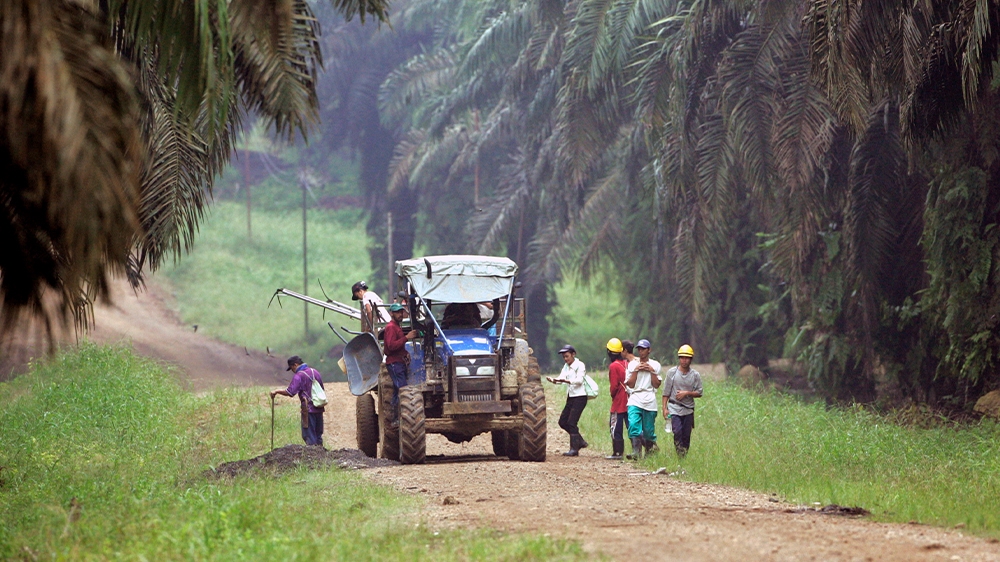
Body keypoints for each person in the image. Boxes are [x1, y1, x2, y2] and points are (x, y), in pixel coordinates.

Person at [271, 356, 325, 446]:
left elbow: (290, 392)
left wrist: (277, 391)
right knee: (318, 435)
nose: (292, 371)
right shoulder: (315, 372)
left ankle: (313, 457)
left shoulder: (299, 375)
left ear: (295, 365)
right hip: (319, 407)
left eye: (292, 368)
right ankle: (322, 456)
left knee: (309, 436)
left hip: (308, 410)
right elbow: (321, 389)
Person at [546, 344, 589, 456]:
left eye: (567, 356)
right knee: (562, 422)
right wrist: (554, 380)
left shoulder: (580, 365)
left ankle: (574, 448)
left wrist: (567, 381)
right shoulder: (566, 366)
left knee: (571, 422)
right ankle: (580, 441)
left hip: (580, 396)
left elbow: (579, 380)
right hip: (571, 396)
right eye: (564, 357)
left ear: (573, 354)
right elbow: (562, 378)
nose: (565, 359)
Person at [661, 344, 703, 457]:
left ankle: (684, 455)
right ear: (679, 358)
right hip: (674, 408)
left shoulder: (695, 375)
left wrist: (687, 393)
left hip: (688, 410)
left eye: (687, 358)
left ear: (691, 359)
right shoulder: (672, 373)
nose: (684, 360)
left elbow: (699, 392)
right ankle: (679, 452)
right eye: (682, 357)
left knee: (686, 435)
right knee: (677, 431)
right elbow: (666, 392)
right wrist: (664, 408)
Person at [625, 339, 661, 459]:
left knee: (648, 430)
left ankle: (649, 452)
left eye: (643, 349)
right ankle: (636, 451)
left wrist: (651, 371)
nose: (641, 352)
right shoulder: (632, 365)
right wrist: (637, 370)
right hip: (635, 397)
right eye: (639, 349)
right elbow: (630, 384)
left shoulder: (655, 365)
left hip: (649, 397)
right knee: (633, 424)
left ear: (649, 350)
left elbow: (656, 384)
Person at [383, 303, 418, 425]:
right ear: (391, 313)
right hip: (394, 363)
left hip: (398, 362)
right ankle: (397, 419)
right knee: (402, 389)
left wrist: (404, 353)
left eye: (401, 312)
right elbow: (391, 346)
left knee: (397, 390)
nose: (400, 314)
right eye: (397, 312)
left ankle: (393, 418)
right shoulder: (391, 327)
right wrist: (407, 338)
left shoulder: (396, 327)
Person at [605, 338, 629, 460]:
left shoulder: (613, 366)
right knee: (631, 426)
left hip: (619, 402)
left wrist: (612, 395)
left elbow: (614, 386)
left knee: (615, 426)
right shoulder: (627, 363)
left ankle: (618, 452)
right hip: (630, 400)